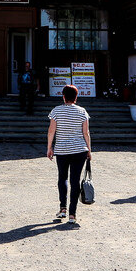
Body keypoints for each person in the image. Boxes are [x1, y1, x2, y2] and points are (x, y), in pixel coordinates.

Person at [46, 84, 91, 225]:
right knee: (75, 180)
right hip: (79, 150)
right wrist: (89, 150)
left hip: (62, 150)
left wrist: (49, 147)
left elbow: (51, 131)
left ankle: (63, 208)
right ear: (76, 97)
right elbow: (86, 133)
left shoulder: (56, 111)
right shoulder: (82, 111)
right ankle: (73, 214)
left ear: (63, 96)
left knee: (62, 178)